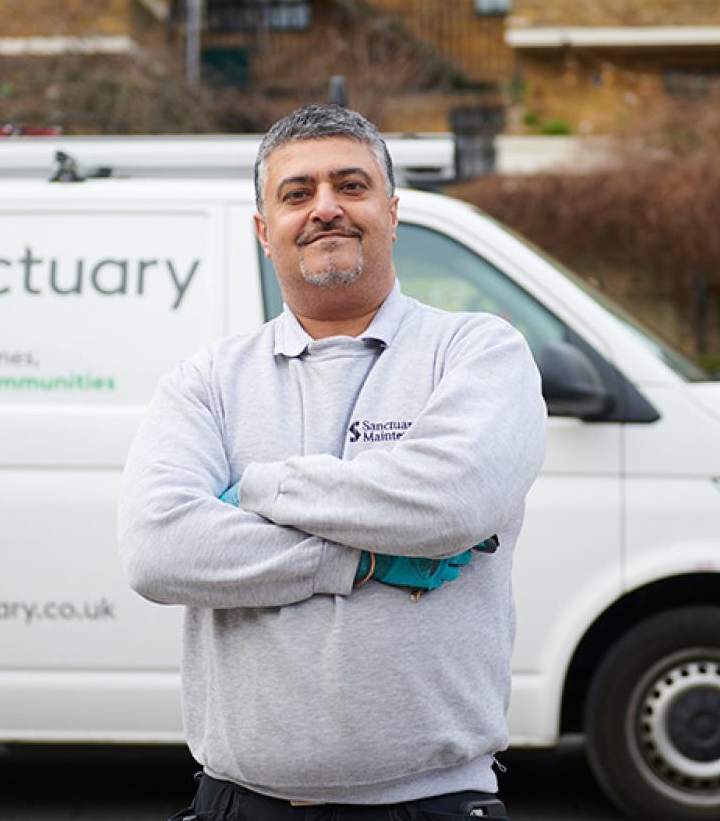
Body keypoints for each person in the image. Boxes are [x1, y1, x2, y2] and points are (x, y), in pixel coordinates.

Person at [118, 104, 546, 821]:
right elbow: (158, 547)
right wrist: (363, 560)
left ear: (392, 211)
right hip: (239, 804)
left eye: (351, 185)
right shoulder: (208, 381)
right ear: (264, 230)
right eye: (296, 193)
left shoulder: (477, 352)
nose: (325, 208)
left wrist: (259, 484)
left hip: (433, 805)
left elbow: (449, 501)